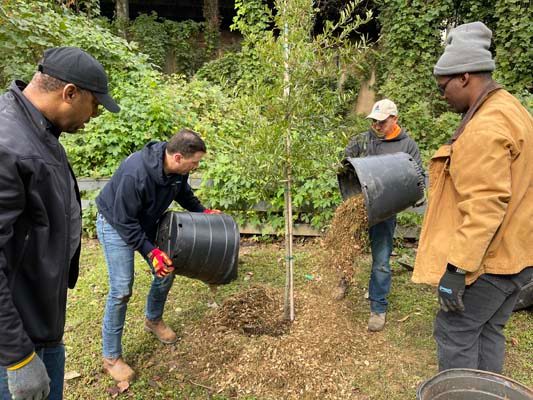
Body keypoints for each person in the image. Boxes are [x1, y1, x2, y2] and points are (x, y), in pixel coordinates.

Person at [413, 21, 533, 373]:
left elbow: (484, 206)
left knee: (456, 331)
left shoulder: (485, 127)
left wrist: (455, 271)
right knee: (488, 330)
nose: (441, 95)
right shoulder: (512, 109)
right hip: (518, 253)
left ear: (464, 77)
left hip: (491, 262)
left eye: (442, 87)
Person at [0, 47, 120, 400]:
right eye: (95, 105)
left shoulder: (38, 131)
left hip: (40, 325)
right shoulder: (10, 145)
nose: (94, 115)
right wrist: (19, 357)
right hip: (16, 344)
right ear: (70, 93)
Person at [95, 128, 219, 383]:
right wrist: (151, 252)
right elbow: (125, 221)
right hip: (116, 223)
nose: (195, 167)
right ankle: (111, 358)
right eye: (194, 162)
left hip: (146, 222)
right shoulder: (135, 173)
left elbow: (183, 194)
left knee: (167, 270)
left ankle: (153, 319)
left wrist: (202, 212)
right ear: (177, 158)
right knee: (121, 289)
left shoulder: (176, 172)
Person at [344, 99, 424, 332]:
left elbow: (416, 178)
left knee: (381, 259)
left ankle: (378, 308)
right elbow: (345, 164)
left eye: (381, 122)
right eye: (374, 122)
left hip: (384, 210)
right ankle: (343, 281)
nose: (377, 126)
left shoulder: (407, 146)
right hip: (358, 206)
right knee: (345, 247)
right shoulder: (364, 139)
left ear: (394, 119)